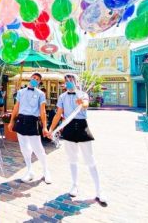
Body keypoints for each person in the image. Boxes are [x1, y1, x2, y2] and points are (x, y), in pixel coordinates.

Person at [47, 73, 107, 204]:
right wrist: (51, 129)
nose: (68, 82)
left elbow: (85, 103)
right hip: (68, 128)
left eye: (71, 80)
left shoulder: (82, 94)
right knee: (72, 159)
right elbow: (58, 114)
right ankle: (74, 185)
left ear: (76, 81)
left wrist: (82, 102)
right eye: (66, 80)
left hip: (81, 127)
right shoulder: (62, 96)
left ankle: (99, 190)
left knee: (90, 159)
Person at [8, 73, 52, 184]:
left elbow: (42, 111)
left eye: (37, 79)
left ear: (39, 82)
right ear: (30, 79)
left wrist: (45, 127)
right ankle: (29, 170)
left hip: (33, 121)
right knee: (24, 148)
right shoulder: (20, 92)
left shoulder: (41, 94)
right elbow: (16, 107)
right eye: (33, 78)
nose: (34, 79)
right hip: (21, 120)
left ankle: (46, 171)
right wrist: (11, 121)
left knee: (38, 149)